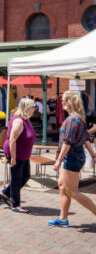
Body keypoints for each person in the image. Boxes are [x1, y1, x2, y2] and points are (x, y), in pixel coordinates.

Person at [48, 91, 96, 228]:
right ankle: (63, 219)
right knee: (63, 187)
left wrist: (58, 161)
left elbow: (67, 143)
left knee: (72, 192)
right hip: (74, 156)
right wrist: (93, 154)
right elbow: (85, 138)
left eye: (63, 100)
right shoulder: (78, 118)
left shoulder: (72, 120)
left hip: (72, 157)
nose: (61, 102)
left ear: (68, 103)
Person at [1, 97, 36, 213]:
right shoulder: (19, 121)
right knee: (17, 179)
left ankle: (5, 193)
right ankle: (15, 205)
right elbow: (12, 140)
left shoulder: (26, 119)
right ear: (27, 108)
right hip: (16, 153)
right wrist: (13, 159)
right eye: (33, 106)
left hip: (24, 153)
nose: (35, 109)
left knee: (26, 176)